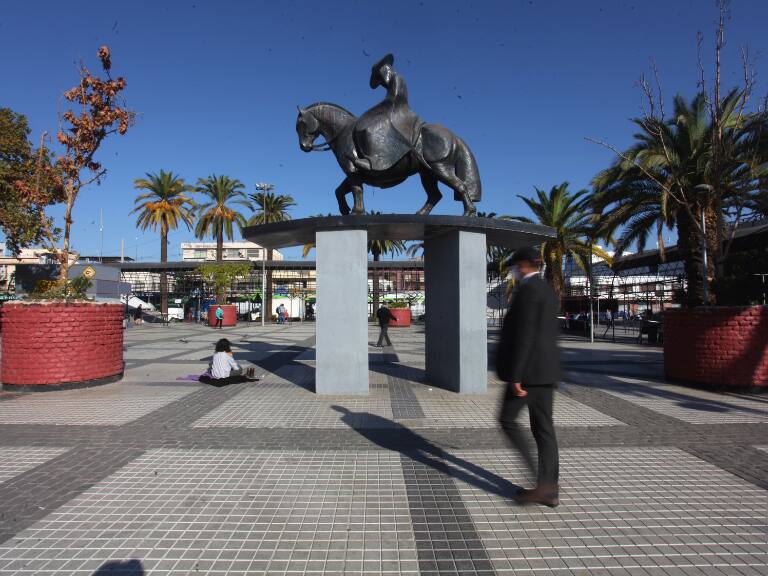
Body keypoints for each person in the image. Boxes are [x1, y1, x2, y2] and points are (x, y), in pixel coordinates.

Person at [496, 246, 561, 507]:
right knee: (544, 429)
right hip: (547, 371)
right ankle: (549, 487)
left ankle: (544, 486)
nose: (514, 270)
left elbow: (525, 336)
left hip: (529, 373)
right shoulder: (545, 289)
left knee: (508, 420)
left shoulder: (528, 291)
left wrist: (516, 375)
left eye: (515, 265)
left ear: (524, 265)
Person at [351, 53, 423, 173]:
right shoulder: (397, 79)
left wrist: (377, 108)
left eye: (380, 78)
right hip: (396, 107)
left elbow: (395, 98)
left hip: (397, 109)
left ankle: (376, 159)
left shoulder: (396, 79)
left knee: (372, 127)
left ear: (385, 71)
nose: (382, 83)